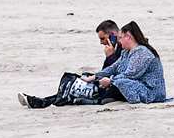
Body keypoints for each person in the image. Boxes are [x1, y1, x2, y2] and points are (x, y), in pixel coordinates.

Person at [18, 21, 166, 108]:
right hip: (127, 84)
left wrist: (110, 78)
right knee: (84, 82)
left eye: (121, 38)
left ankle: (44, 102)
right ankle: (46, 101)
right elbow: (113, 68)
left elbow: (130, 74)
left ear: (128, 36)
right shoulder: (127, 52)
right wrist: (94, 76)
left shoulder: (142, 52)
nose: (119, 41)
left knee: (102, 87)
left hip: (148, 91)